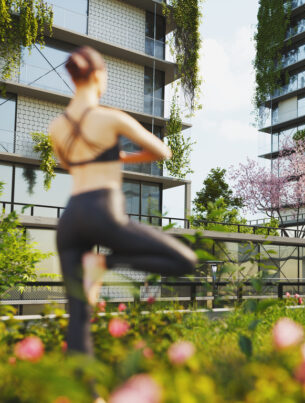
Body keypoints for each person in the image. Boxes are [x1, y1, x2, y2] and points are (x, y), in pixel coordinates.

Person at [49, 46, 198, 356]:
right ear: (98, 75)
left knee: (79, 313)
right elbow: (161, 151)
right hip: (103, 211)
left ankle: (84, 393)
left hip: (71, 218)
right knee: (185, 260)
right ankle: (105, 262)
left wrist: (105, 156)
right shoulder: (109, 118)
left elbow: (69, 164)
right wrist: (123, 155)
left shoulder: (56, 127)